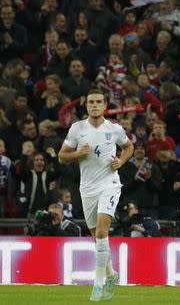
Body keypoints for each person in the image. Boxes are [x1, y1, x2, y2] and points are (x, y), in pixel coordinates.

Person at [58, 89, 134, 301]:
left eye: (99, 102)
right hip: (87, 188)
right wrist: (77, 154)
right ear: (86, 105)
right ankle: (110, 274)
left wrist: (121, 161)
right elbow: (61, 156)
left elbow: (128, 147)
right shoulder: (77, 128)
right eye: (91, 102)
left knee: (101, 232)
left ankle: (97, 284)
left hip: (109, 184)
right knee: (96, 237)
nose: (94, 105)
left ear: (105, 105)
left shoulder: (114, 128)